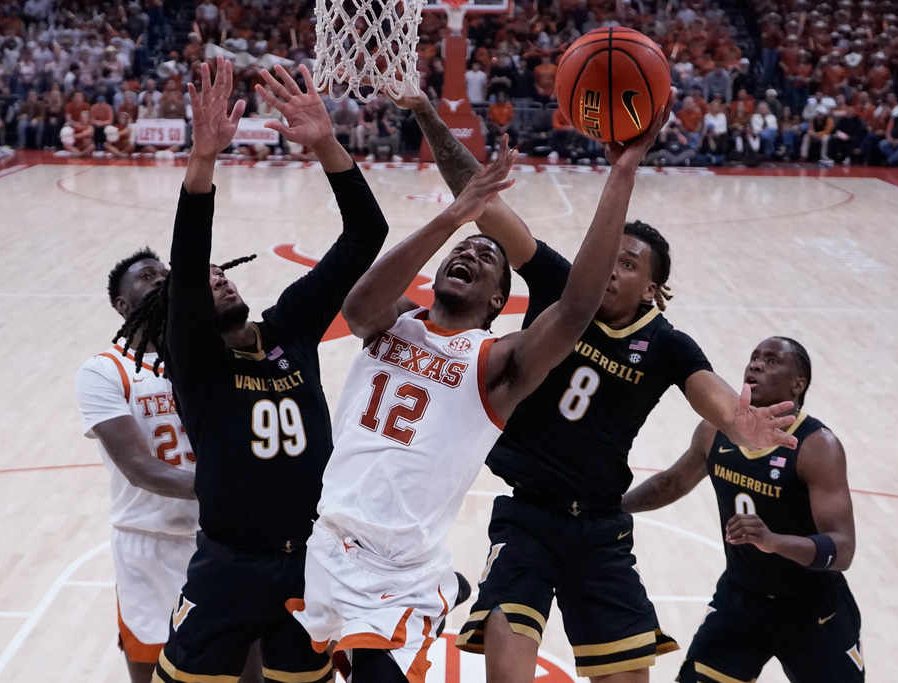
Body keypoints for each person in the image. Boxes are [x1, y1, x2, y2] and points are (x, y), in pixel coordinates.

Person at [394, 85, 798, 683]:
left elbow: (712, 393)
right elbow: (479, 201)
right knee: (506, 664)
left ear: (654, 290)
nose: (612, 267)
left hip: (599, 528)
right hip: (528, 515)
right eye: (612, 253)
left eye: (629, 264)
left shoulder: (668, 344)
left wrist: (742, 424)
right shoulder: (562, 282)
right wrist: (427, 114)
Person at [289, 93, 674, 683]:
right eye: (461, 250)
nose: (470, 251)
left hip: (396, 572)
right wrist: (451, 217)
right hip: (327, 544)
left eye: (488, 257)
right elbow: (358, 306)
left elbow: (576, 307)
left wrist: (622, 172)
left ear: (499, 300)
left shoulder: (496, 364)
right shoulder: (396, 320)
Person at [133, 58, 388, 683]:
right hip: (228, 566)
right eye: (202, 282)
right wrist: (203, 161)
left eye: (224, 272)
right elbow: (188, 263)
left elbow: (366, 233)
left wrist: (327, 144)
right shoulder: (198, 362)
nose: (215, 276)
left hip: (310, 563)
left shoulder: (291, 326)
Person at [622, 337, 863, 683]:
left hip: (812, 609)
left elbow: (842, 550)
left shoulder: (817, 446)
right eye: (754, 357)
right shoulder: (715, 430)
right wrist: (612, 507)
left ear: (799, 384)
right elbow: (671, 483)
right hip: (741, 601)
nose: (756, 364)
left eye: (772, 360)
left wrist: (774, 541)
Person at [75, 249, 198, 683]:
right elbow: (138, 467)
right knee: (151, 673)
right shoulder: (105, 371)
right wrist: (230, 484)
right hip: (148, 546)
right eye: (148, 277)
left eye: (167, 274)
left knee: (237, 668)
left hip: (217, 542)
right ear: (122, 305)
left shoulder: (203, 356)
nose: (163, 281)